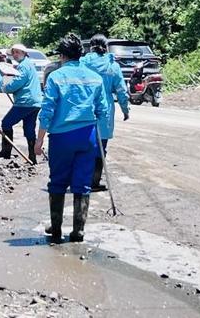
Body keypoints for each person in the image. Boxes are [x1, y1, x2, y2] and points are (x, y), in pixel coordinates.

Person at [35, 33, 108, 244]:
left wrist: (39, 140)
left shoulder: (56, 77)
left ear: (62, 55)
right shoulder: (95, 78)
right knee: (83, 183)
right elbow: (102, 110)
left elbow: (47, 110)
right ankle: (78, 231)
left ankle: (56, 229)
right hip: (88, 136)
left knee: (58, 182)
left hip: (61, 137)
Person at [80, 34, 129, 191]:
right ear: (106, 47)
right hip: (105, 108)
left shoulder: (82, 63)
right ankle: (94, 182)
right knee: (101, 146)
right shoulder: (112, 66)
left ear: (91, 46)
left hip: (84, 106)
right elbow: (121, 90)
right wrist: (125, 109)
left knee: (83, 144)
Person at [0, 44, 42, 164]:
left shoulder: (24, 66)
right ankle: (32, 156)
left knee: (6, 123)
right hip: (35, 102)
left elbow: (17, 82)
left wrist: (4, 88)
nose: (15, 55)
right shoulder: (29, 64)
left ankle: (6, 151)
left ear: (24, 53)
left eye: (17, 52)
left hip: (25, 101)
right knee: (29, 129)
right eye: (14, 52)